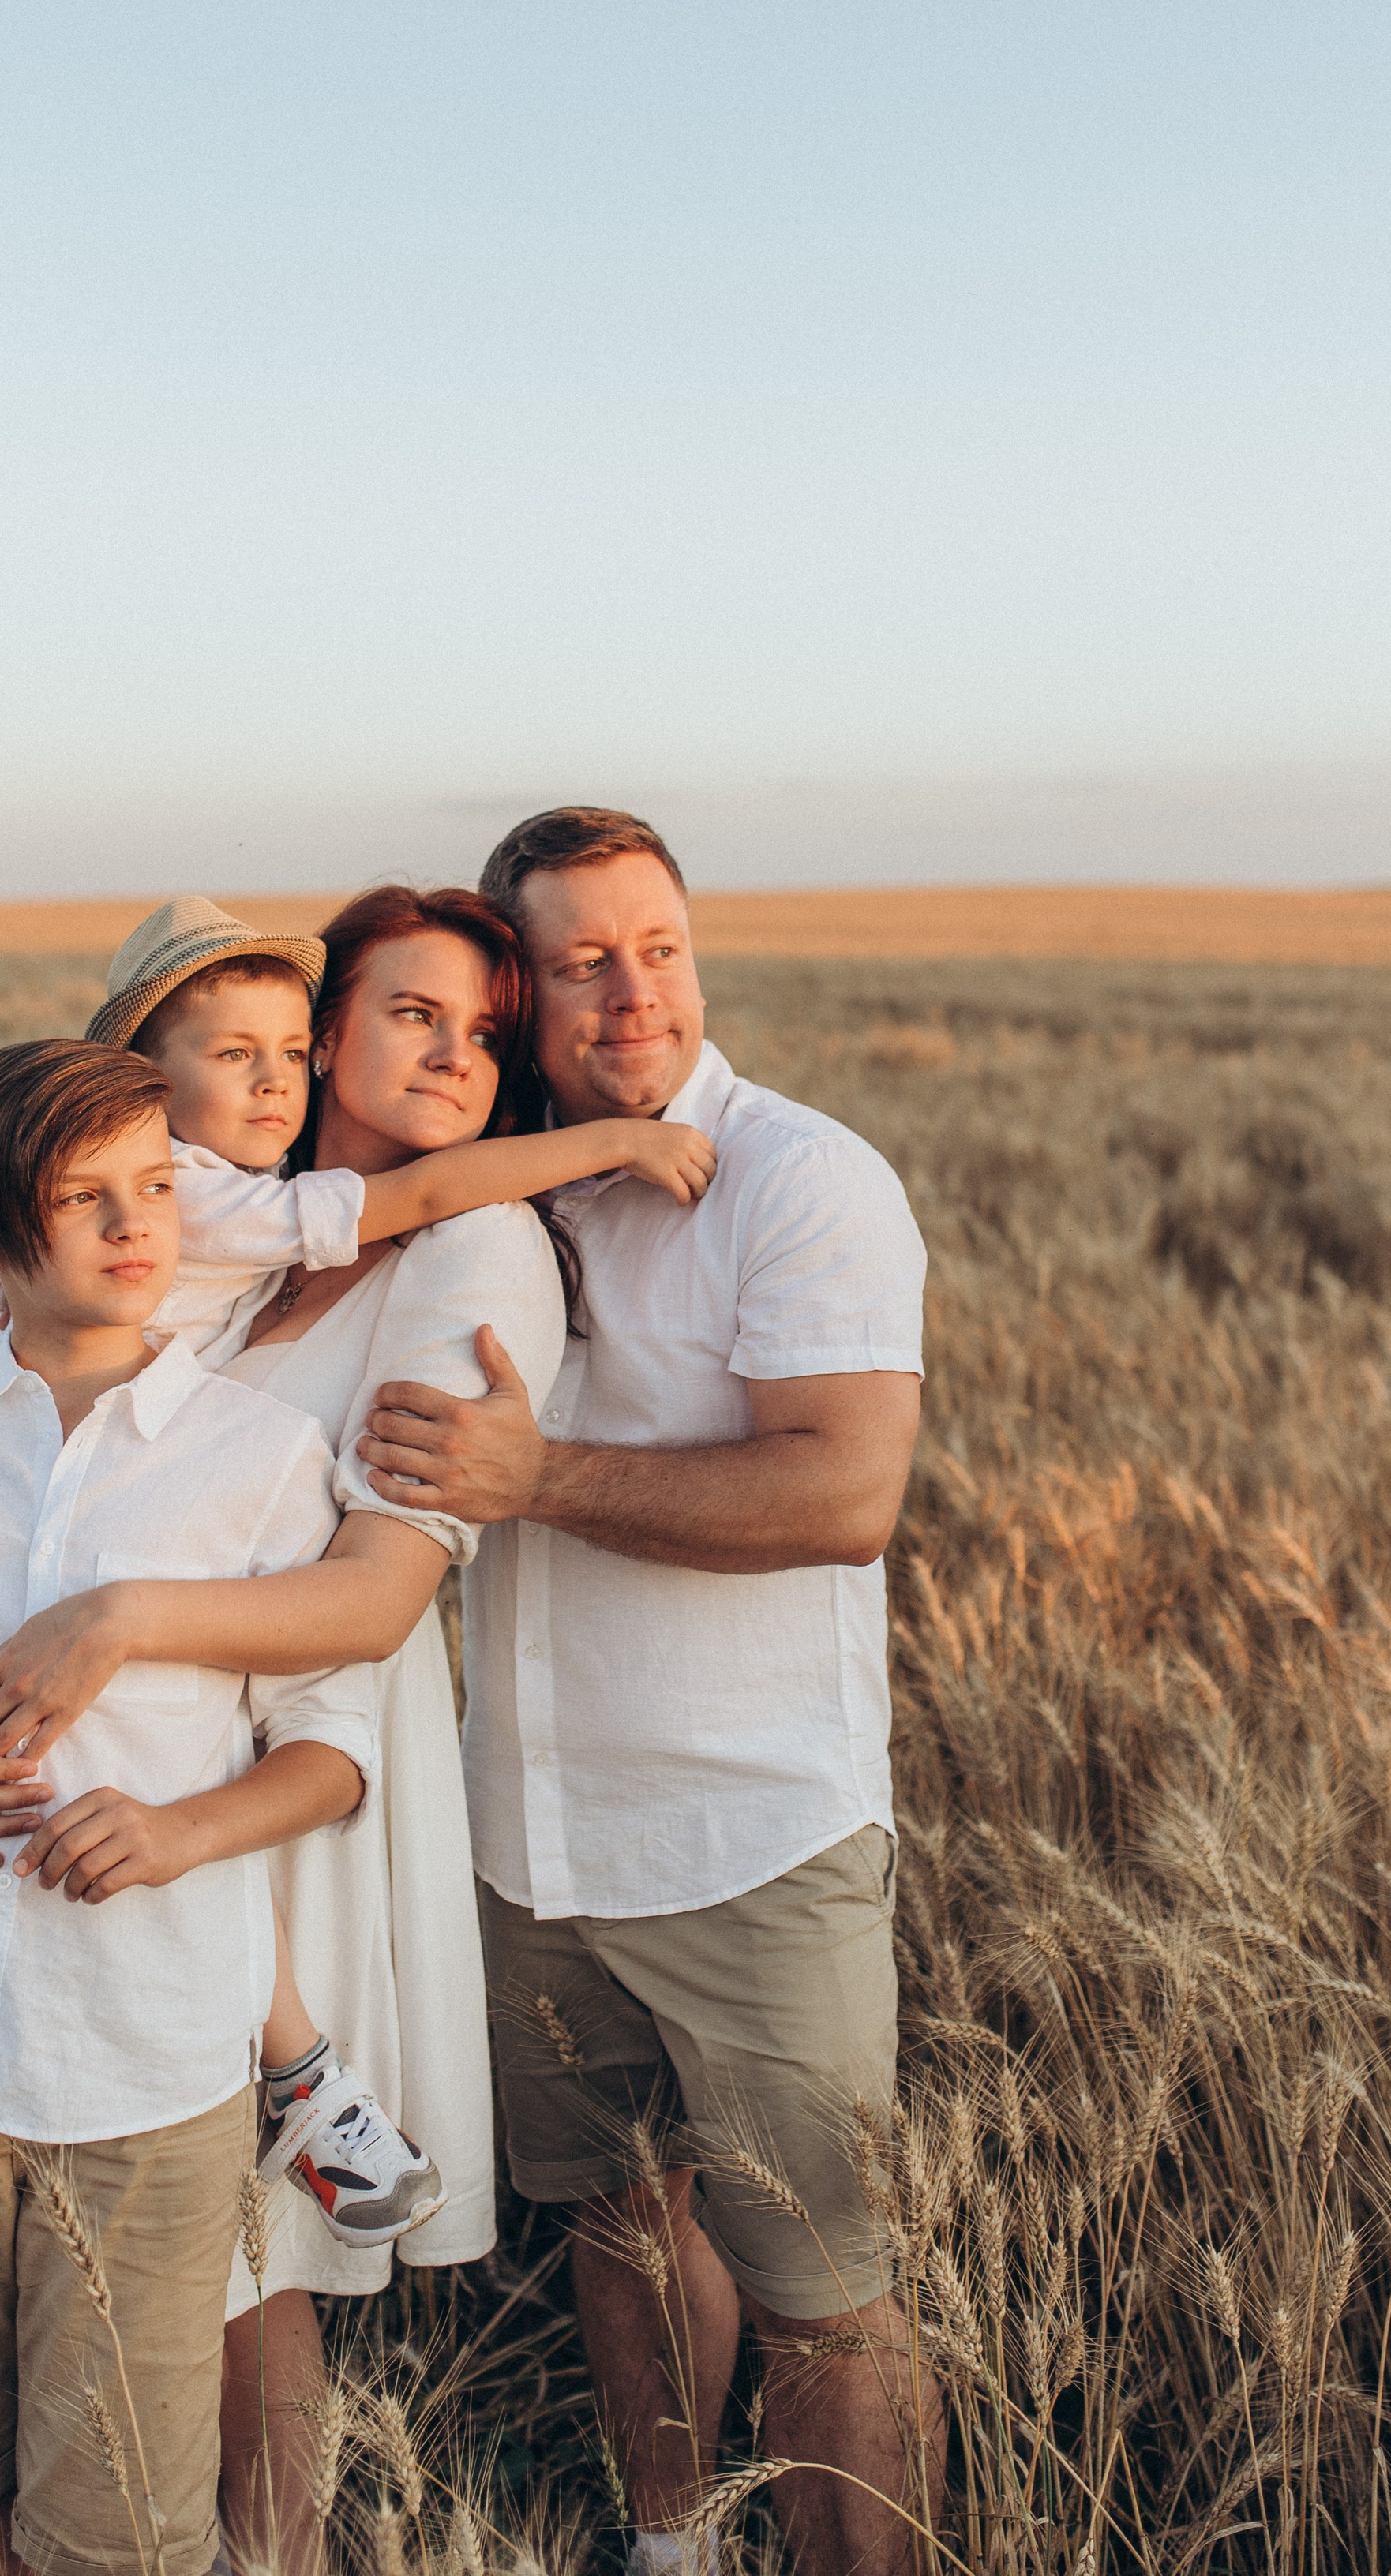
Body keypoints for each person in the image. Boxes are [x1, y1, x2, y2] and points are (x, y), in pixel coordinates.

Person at [0, 885, 718, 2576]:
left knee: (237, 2237)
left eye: (485, 1034)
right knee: (177, 2229)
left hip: (295, 1773)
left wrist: (120, 1616)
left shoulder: (465, 1247)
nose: (452, 1055)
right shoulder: (213, 1229)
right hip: (138, 1746)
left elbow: (372, 1598)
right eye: (407, 1016)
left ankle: (266, 2550)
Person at [353, 807, 929, 2576]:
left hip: (748, 1836)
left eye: (657, 946)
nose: (631, 991)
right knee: (615, 2211)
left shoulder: (800, 1176)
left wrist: (538, 1480)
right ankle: (674, 2548)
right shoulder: (506, 1181)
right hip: (529, 1831)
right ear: (519, 991)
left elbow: (841, 1494)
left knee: (826, 2293)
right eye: (582, 960)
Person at [0, 1039, 381, 2576]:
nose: (133, 1224)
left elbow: (331, 1750)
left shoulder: (260, 1458)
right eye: (80, 1196)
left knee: (117, 2534)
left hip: (151, 2073)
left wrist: (177, 1834)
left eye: (153, 1184)